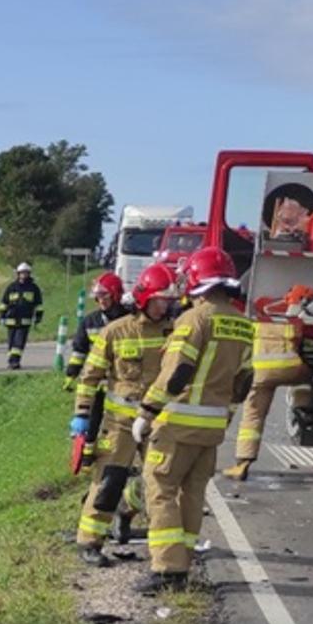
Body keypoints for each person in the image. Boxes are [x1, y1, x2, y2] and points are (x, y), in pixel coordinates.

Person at [130, 247, 254, 593]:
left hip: (178, 424)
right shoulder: (244, 324)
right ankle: (181, 565)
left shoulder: (194, 320)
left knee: (160, 489)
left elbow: (177, 372)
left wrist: (147, 412)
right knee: (193, 493)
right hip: (212, 429)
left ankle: (167, 570)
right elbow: (244, 382)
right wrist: (223, 416)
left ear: (197, 279)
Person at [71, 264, 177, 566]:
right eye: (159, 300)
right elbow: (90, 376)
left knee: (161, 482)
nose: (164, 306)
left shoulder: (174, 332)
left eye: (168, 300)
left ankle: (159, 546)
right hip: (120, 424)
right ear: (144, 298)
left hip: (159, 423)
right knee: (107, 482)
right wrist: (82, 415)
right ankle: (89, 542)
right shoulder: (115, 331)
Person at [223, 321, 313, 481]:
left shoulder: (257, 321)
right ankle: (302, 407)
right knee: (308, 379)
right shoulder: (296, 318)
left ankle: (242, 463)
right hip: (291, 367)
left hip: (259, 372)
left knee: (253, 415)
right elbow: (312, 343)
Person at [65, 272, 128, 383]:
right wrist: (72, 373)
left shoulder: (130, 320)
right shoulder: (89, 322)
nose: (101, 301)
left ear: (116, 295)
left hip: (124, 380)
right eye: (98, 297)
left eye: (105, 296)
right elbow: (79, 351)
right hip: (97, 380)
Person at [0, 262, 44, 369]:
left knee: (19, 343)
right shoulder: (11, 287)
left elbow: (38, 304)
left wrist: (38, 317)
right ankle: (11, 361)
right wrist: (2, 316)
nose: (23, 275)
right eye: (22, 273)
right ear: (18, 274)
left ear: (29, 274)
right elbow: (4, 303)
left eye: (26, 273)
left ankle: (15, 362)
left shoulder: (33, 288)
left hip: (24, 321)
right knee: (11, 344)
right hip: (11, 321)